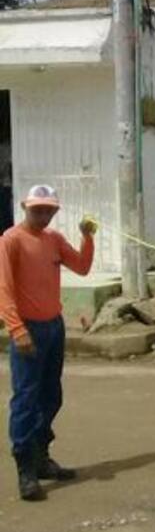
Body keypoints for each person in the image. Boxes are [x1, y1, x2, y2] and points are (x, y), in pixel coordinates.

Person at [0, 185, 95, 502]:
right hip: (28, 329)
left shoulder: (53, 240)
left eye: (48, 210)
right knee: (26, 399)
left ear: (55, 211)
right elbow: (4, 288)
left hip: (54, 327)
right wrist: (16, 329)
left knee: (51, 396)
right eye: (37, 209)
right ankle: (25, 468)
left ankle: (41, 456)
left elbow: (81, 267)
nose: (42, 214)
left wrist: (87, 237)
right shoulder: (11, 240)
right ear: (25, 206)